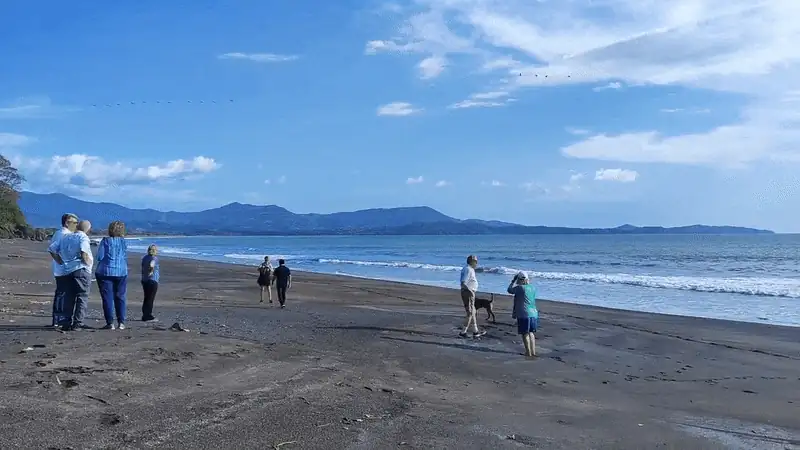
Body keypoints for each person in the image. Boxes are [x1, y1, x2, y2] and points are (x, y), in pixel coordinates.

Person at [48, 220, 93, 331]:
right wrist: (87, 263)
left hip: (67, 270)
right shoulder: (83, 237)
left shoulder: (66, 237)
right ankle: (78, 323)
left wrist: (60, 261)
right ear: (87, 229)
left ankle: (66, 322)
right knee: (82, 296)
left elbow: (52, 249)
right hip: (80, 269)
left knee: (69, 297)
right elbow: (83, 251)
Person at [95, 221, 128, 330]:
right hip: (121, 271)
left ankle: (110, 323)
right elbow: (124, 255)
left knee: (107, 298)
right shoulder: (123, 242)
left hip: (105, 271)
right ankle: (121, 322)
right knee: (120, 297)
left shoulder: (105, 241)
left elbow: (99, 257)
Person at [49, 213, 78, 327]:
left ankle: (61, 319)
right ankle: (58, 320)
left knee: (64, 293)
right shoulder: (62, 234)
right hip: (62, 269)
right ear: (67, 223)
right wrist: (60, 261)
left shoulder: (66, 234)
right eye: (74, 223)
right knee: (62, 293)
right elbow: (52, 249)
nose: (76, 225)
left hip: (64, 268)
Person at [507, 271, 539, 358]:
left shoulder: (520, 288)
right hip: (534, 313)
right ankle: (533, 351)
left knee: (525, 333)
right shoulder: (532, 288)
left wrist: (512, 281)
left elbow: (509, 290)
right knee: (531, 333)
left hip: (524, 313)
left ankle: (528, 352)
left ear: (519, 279)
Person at [459, 254, 486, 338]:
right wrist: (470, 291)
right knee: (470, 313)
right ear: (472, 262)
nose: (477, 263)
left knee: (473, 311)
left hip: (469, 292)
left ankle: (475, 331)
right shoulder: (468, 269)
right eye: (476, 262)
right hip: (468, 292)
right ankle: (463, 332)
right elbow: (463, 283)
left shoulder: (469, 269)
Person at [141, 244, 160, 322]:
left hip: (145, 280)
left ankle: (145, 314)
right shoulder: (154, 258)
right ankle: (148, 315)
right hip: (152, 280)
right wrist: (151, 271)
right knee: (150, 298)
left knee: (146, 298)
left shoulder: (145, 258)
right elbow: (152, 264)